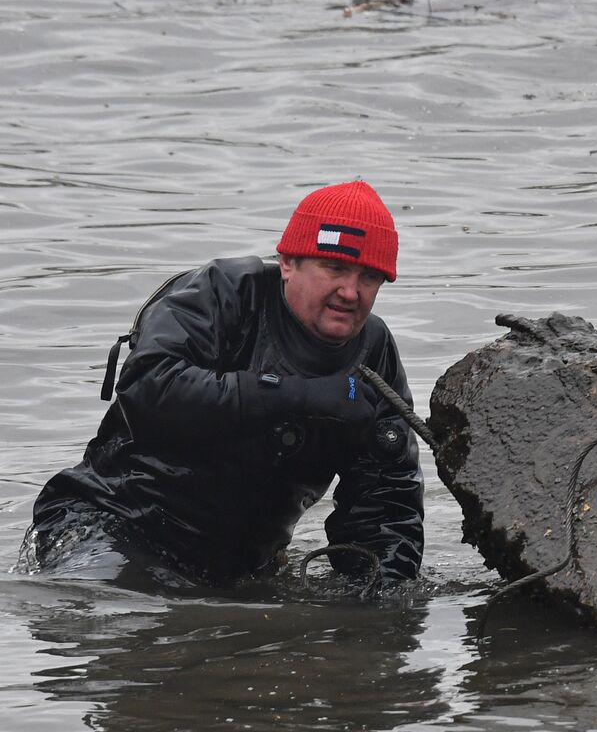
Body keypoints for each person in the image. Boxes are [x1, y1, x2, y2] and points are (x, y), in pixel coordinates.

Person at [23, 180, 424, 588]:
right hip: (107, 524)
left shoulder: (374, 357)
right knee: (109, 614)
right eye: (334, 268)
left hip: (237, 570)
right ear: (288, 262)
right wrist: (297, 395)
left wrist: (383, 597)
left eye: (369, 277)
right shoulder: (225, 294)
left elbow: (387, 506)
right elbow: (148, 390)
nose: (349, 292)